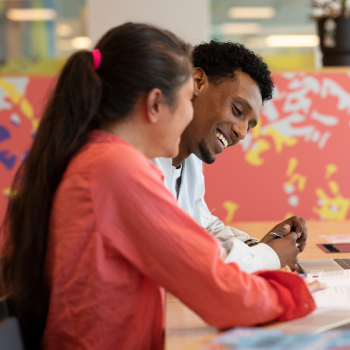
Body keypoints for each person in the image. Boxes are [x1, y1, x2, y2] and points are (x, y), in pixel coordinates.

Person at [1, 23, 322, 350]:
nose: (187, 114)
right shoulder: (117, 168)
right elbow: (215, 287)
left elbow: (195, 248)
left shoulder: (103, 158)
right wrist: (296, 292)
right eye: (186, 100)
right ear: (156, 103)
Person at [153, 41, 306, 273]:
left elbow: (203, 227)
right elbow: (177, 261)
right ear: (197, 83)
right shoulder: (138, 161)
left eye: (249, 126)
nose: (241, 132)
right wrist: (267, 256)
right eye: (237, 110)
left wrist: (257, 246)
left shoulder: (190, 159)